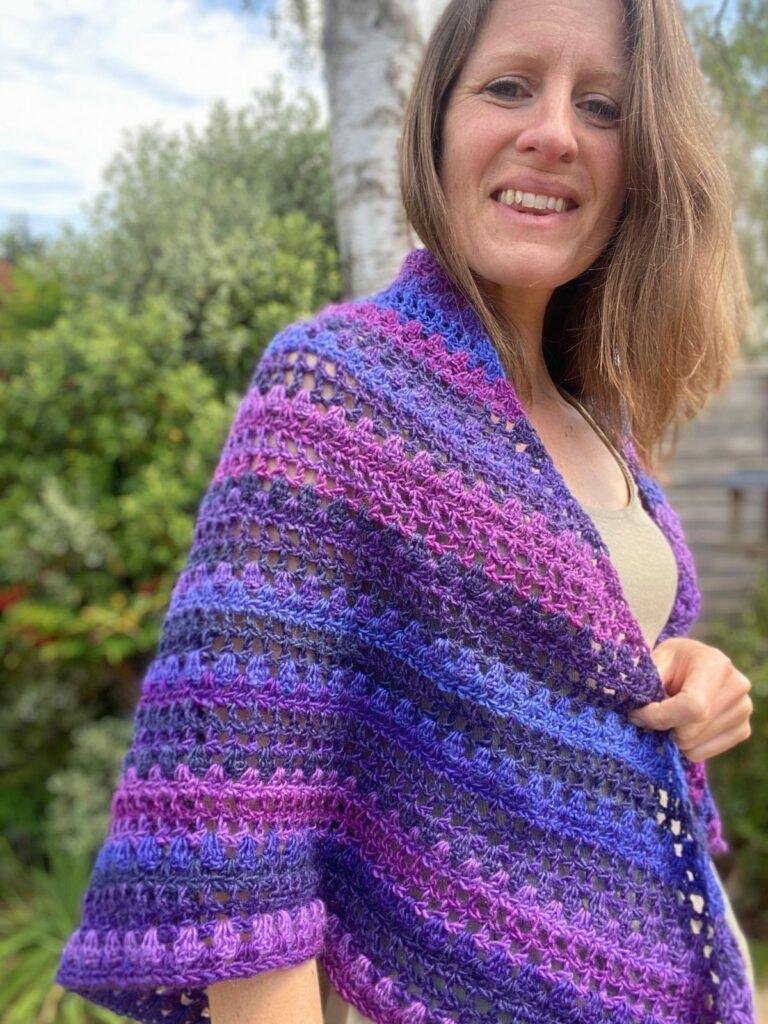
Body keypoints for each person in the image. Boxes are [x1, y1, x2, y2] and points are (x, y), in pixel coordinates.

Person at [56, 0, 757, 1021]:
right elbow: (241, 844)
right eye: (509, 86)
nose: (554, 131)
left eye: (602, 104)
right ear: (437, 124)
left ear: (646, 156)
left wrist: (696, 671)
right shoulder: (333, 394)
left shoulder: (593, 412)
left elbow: (574, 667)